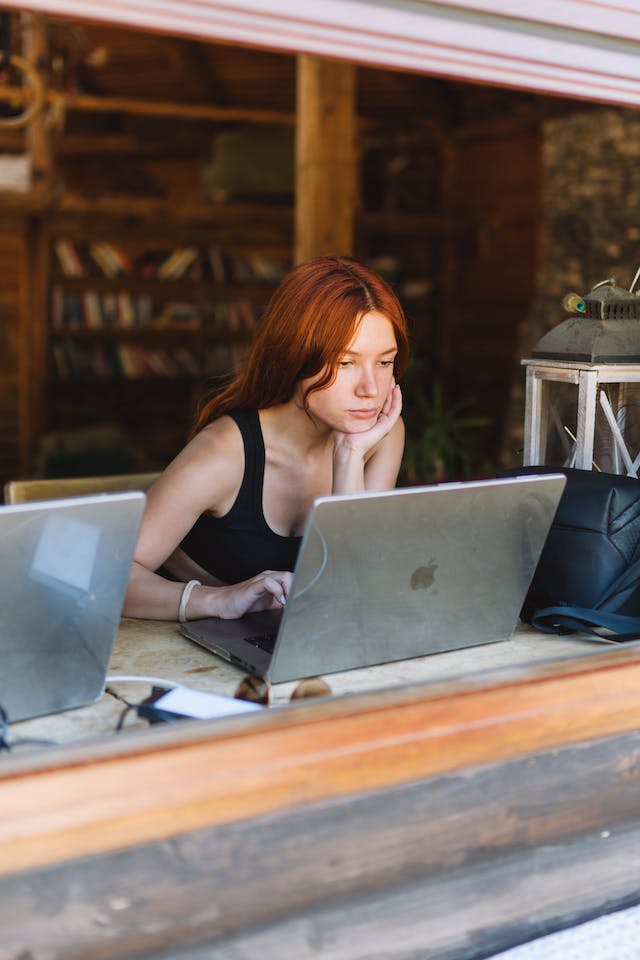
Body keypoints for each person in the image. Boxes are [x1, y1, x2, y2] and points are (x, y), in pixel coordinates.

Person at [123, 255, 410, 622]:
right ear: (296, 356)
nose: (371, 389)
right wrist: (218, 600)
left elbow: (352, 588)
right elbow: (112, 578)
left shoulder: (379, 435)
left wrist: (349, 455)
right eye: (345, 363)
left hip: (287, 644)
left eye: (385, 362)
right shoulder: (225, 452)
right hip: (176, 649)